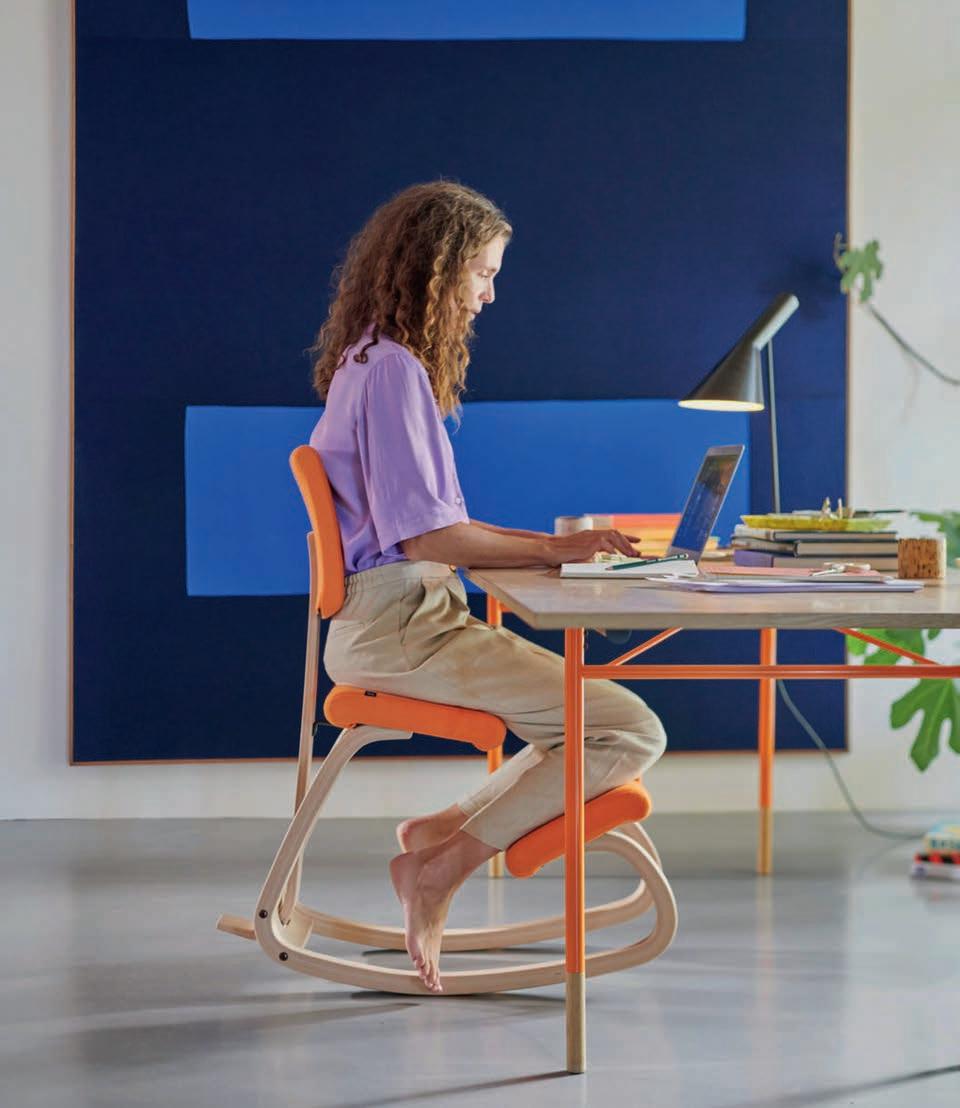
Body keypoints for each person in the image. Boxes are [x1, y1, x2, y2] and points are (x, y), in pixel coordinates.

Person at [308, 181, 667, 993]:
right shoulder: (393, 374)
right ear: (435, 269)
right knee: (627, 729)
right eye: (481, 273)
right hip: (406, 629)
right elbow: (431, 539)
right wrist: (558, 550)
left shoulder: (366, 361)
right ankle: (442, 867)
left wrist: (555, 554)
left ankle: (437, 832)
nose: (488, 294)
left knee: (580, 722)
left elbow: (437, 528)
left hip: (395, 620)